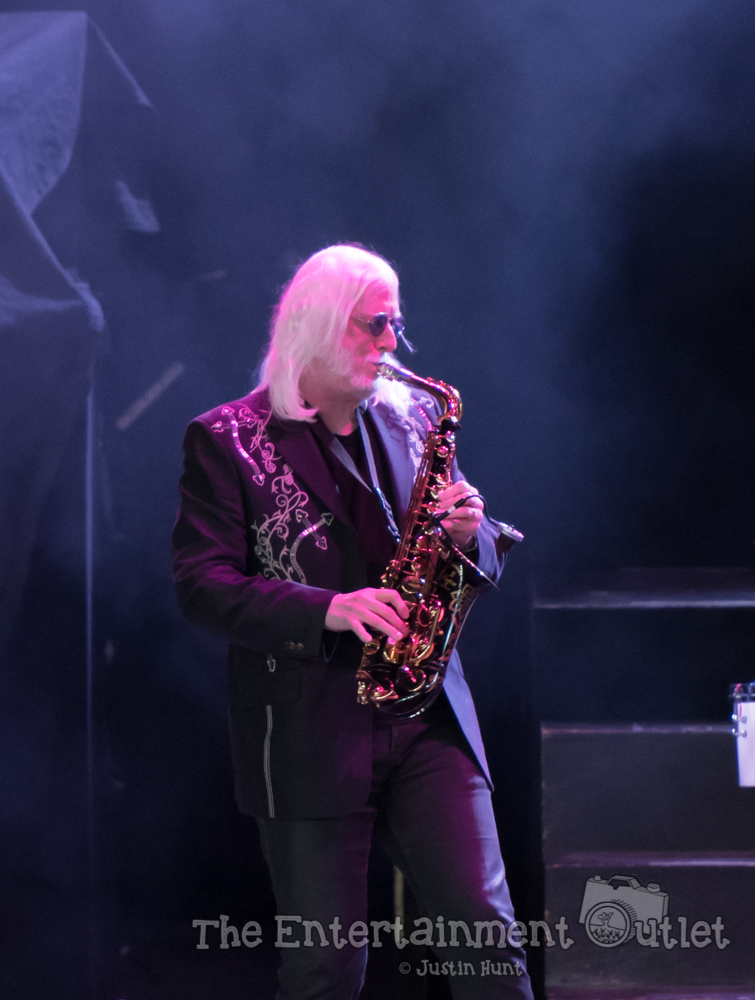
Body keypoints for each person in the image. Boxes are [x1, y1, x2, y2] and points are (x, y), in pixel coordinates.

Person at [172, 244, 530, 999]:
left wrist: (471, 532)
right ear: (316, 324)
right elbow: (202, 585)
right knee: (325, 973)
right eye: (373, 325)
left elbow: (481, 538)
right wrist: (327, 610)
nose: (391, 343)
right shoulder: (227, 439)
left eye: (394, 323)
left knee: (488, 948)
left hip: (427, 718)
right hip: (310, 731)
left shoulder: (416, 418)